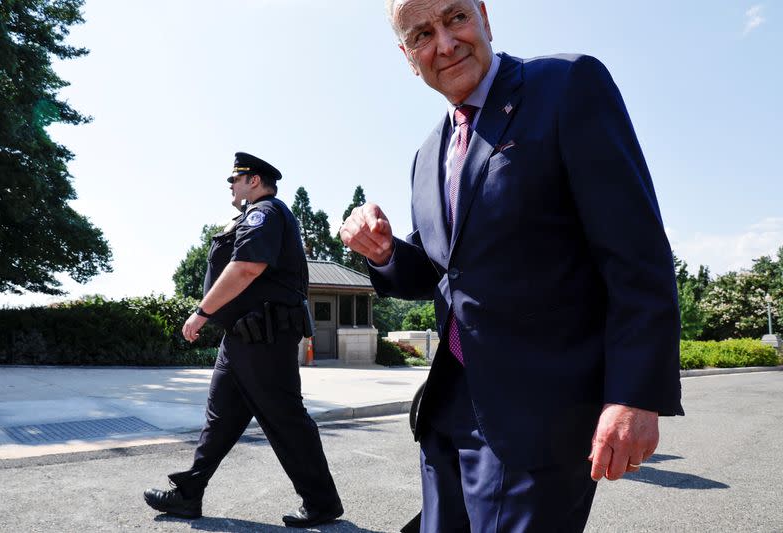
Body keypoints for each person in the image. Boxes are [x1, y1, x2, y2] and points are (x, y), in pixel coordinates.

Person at [340, 1, 684, 531]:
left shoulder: (566, 85)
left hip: (538, 419)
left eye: (456, 18)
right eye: (422, 34)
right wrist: (384, 253)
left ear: (484, 16)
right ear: (408, 56)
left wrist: (635, 394)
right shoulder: (428, 152)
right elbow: (443, 272)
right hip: (449, 414)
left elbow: (635, 252)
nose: (446, 44)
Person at [144, 152, 343, 528]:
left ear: (253, 180)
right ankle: (189, 494)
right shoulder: (251, 216)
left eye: (234, 180)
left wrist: (202, 312)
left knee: (285, 418)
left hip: (263, 338)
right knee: (219, 420)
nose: (231, 186)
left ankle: (321, 502)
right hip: (239, 340)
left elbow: (248, 266)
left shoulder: (264, 212)